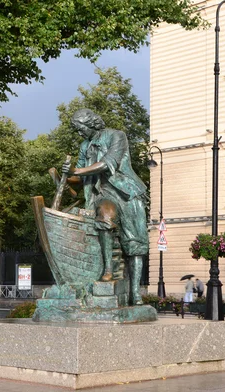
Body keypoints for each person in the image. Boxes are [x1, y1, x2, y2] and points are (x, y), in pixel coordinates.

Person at [63, 108, 149, 305]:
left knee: (135, 243)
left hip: (127, 191)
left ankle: (135, 292)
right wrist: (68, 176)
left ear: (90, 123)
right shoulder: (85, 146)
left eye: (80, 128)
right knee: (104, 215)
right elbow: (81, 175)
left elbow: (107, 163)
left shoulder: (117, 136)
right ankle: (108, 270)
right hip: (104, 193)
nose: (79, 133)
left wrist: (77, 170)